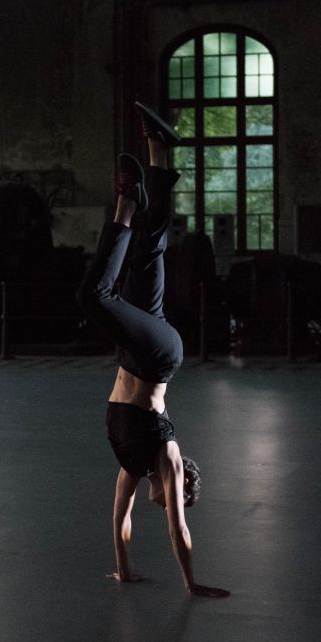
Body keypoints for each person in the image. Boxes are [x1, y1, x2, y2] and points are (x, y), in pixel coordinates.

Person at [75, 102, 229, 598]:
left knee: (150, 247)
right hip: (160, 356)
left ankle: (159, 151)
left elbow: (119, 517)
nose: (162, 503)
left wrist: (124, 569)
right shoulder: (167, 457)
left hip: (137, 351)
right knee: (95, 297)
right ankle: (126, 203)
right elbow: (178, 529)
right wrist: (191, 583)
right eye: (173, 498)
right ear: (180, 485)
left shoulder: (133, 465)